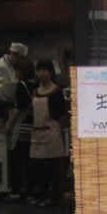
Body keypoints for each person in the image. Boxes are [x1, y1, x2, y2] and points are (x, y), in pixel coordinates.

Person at [25, 59, 70, 206]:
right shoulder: (34, 92)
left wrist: (58, 130)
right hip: (37, 134)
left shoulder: (56, 92)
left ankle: (54, 197)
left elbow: (62, 114)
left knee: (52, 168)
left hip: (51, 133)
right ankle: (41, 194)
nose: (42, 73)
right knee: (37, 168)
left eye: (45, 70)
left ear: (51, 72)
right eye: (39, 70)